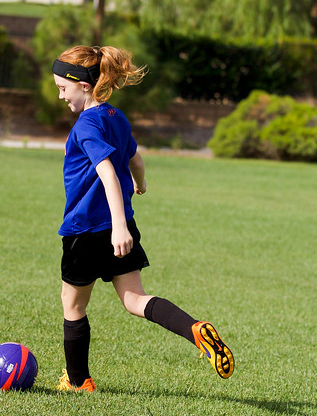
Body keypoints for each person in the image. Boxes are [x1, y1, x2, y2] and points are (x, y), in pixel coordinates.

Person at [53, 44, 234, 392]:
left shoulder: (86, 125)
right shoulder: (115, 118)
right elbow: (134, 158)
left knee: (72, 304)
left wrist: (118, 226)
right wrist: (140, 183)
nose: (61, 96)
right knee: (135, 299)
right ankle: (194, 329)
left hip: (86, 231)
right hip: (120, 226)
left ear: (84, 85)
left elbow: (105, 171)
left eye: (63, 88)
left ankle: (78, 382)